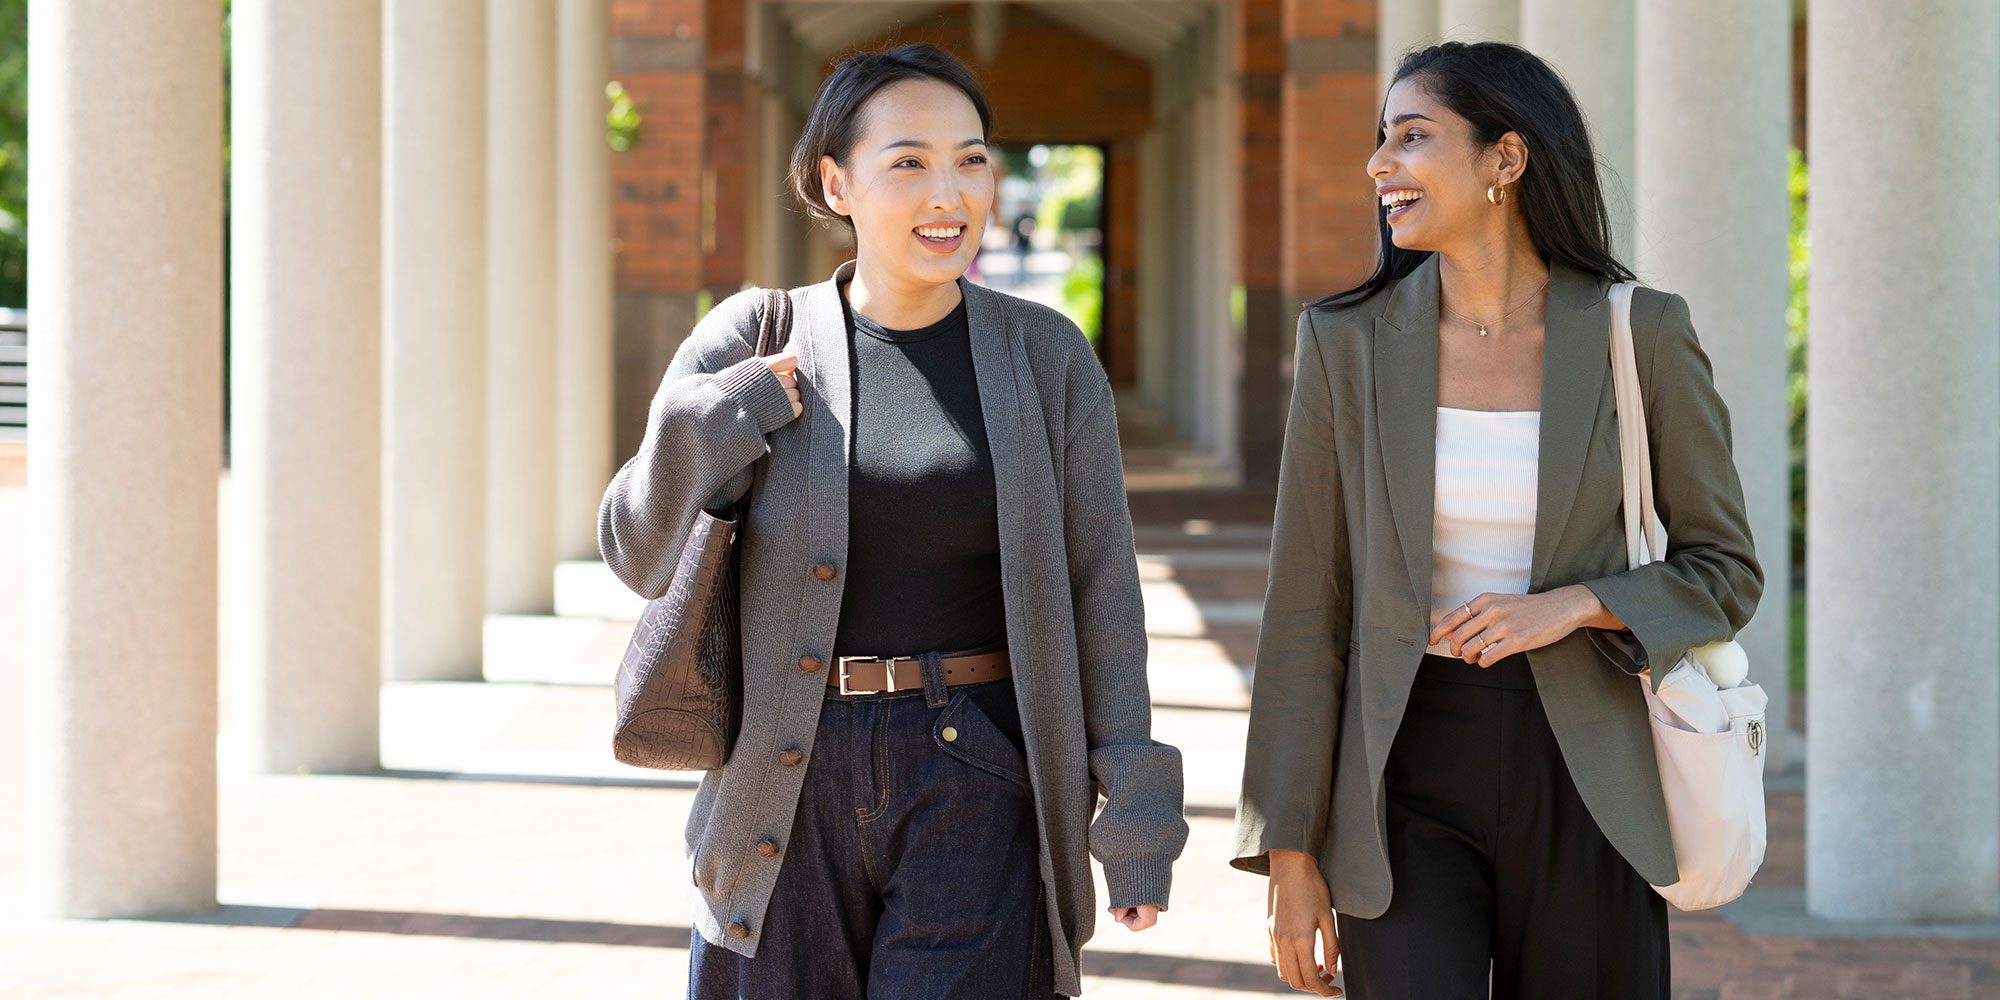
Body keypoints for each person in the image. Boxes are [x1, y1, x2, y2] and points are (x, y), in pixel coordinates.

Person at [598, 42, 1187, 1000]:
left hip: (979, 773)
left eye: (971, 158)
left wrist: (1138, 816)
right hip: (784, 784)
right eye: (908, 161)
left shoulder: (1046, 357)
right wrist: (722, 415)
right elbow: (634, 548)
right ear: (838, 183)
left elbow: (1102, 594)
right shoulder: (754, 339)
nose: (947, 192)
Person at [1231, 41, 1762, 999]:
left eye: (1411, 137)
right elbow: (1305, 609)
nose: (1378, 164)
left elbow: (1726, 570)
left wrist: (1571, 606)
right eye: (1379, 140)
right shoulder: (1344, 344)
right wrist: (1290, 856)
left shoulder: (1638, 334)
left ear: (1505, 160)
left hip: (1591, 767)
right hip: (1402, 769)